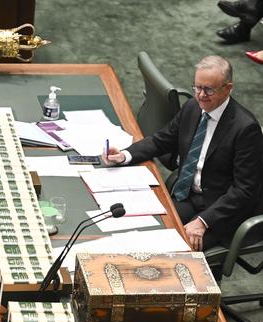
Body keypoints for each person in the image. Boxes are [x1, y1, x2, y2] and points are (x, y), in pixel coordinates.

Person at [104, 56, 263, 252]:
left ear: (228, 88)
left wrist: (203, 222)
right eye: (197, 87)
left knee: (174, 249)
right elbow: (162, 139)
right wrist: (126, 155)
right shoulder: (192, 107)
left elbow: (243, 191)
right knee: (144, 227)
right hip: (188, 196)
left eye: (209, 90)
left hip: (221, 211)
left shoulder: (245, 128)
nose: (201, 95)